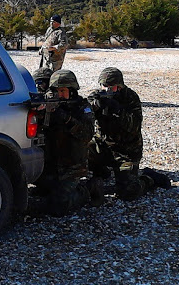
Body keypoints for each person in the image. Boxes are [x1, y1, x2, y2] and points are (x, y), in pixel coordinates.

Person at [88, 68, 166, 201]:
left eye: (111, 88)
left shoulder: (130, 98)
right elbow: (85, 118)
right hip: (103, 145)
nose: (107, 90)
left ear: (119, 86)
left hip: (126, 151)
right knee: (80, 153)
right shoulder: (97, 95)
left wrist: (118, 111)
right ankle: (100, 170)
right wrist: (94, 106)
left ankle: (149, 178)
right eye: (104, 86)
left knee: (128, 191)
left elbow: (134, 127)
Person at [35, 69, 97, 216]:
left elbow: (87, 134)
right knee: (39, 192)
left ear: (72, 90)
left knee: (59, 205)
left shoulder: (82, 107)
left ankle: (88, 189)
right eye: (56, 91)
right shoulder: (50, 104)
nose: (59, 95)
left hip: (72, 167)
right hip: (52, 164)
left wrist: (66, 119)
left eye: (62, 91)